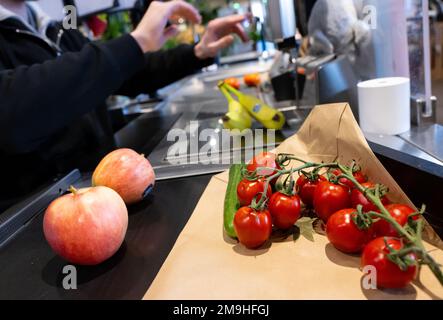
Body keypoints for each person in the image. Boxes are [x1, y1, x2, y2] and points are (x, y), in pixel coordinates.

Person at [0, 0, 250, 210]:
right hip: (34, 225)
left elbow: (126, 75)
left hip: (109, 202)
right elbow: (12, 113)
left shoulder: (55, 29)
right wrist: (135, 42)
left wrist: (197, 53)